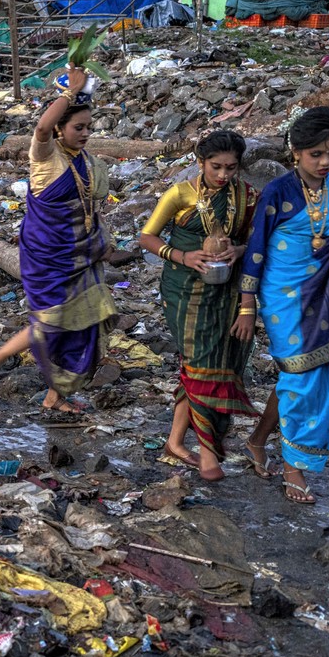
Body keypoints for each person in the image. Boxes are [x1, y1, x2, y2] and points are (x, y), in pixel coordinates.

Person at [240, 106, 329, 504]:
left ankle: (258, 439)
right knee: (300, 375)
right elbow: (257, 250)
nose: (325, 162)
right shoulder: (278, 192)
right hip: (286, 296)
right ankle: (295, 466)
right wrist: (247, 307)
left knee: (322, 373)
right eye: (316, 154)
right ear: (295, 152)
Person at [0, 65, 115, 412]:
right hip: (49, 256)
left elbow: (90, 208)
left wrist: (102, 243)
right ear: (61, 129)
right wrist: (68, 93)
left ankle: (54, 396)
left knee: (86, 322)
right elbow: (42, 127)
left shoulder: (87, 163)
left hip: (81, 254)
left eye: (88, 128)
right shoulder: (46, 157)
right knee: (51, 322)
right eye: (78, 128)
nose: (85, 134)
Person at [138, 130, 258, 481]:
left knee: (210, 364)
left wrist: (239, 250)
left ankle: (175, 442)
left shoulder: (247, 196)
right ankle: (209, 454)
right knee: (202, 364)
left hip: (227, 290)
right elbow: (146, 236)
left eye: (231, 168)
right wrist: (183, 255)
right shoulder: (180, 193)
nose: (223, 175)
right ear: (200, 162)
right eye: (216, 167)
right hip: (184, 290)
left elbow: (257, 240)